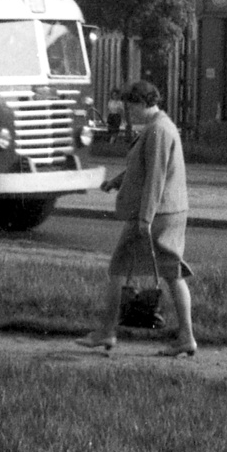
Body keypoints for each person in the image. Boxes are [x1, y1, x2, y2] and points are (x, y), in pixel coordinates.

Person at [78, 79, 197, 357]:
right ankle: (186, 337)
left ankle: (107, 332)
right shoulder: (161, 126)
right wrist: (117, 181)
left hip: (156, 214)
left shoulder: (157, 130)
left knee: (118, 269)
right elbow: (144, 167)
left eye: (131, 107)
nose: (129, 113)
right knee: (172, 273)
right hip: (168, 210)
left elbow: (156, 177)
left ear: (143, 103)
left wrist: (145, 219)